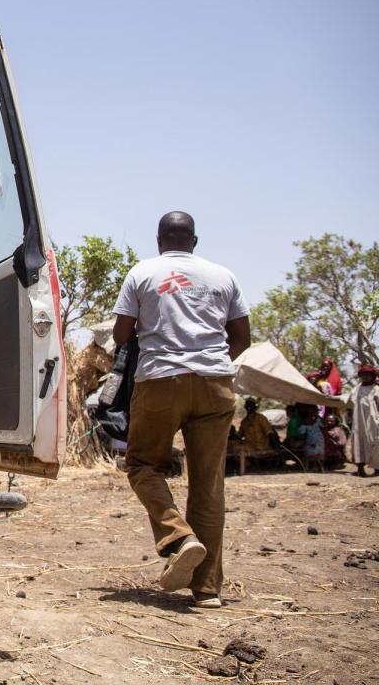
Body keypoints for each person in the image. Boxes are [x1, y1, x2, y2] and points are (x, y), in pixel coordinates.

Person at [112, 211, 251, 609]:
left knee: (142, 466)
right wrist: (210, 364)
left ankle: (179, 537)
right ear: (194, 240)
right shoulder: (224, 276)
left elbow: (122, 334)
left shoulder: (142, 273)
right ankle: (207, 590)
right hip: (215, 385)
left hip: (160, 381)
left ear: (159, 240)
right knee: (208, 485)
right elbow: (240, 337)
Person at [348, 364, 379, 477]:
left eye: (368, 375)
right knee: (358, 442)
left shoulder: (376, 389)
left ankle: (377, 468)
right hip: (359, 421)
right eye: (363, 375)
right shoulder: (357, 388)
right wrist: (330, 397)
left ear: (373, 376)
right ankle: (360, 468)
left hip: (373, 421)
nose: (365, 377)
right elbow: (346, 398)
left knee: (374, 442)